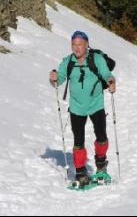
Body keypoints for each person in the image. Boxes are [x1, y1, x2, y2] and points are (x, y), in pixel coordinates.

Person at [49, 31, 116, 185]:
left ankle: (101, 165)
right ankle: (80, 172)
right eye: (74, 44)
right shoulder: (68, 62)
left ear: (86, 45)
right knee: (78, 141)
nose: (76, 48)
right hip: (76, 108)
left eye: (80, 44)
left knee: (101, 137)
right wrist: (53, 78)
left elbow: (107, 74)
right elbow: (58, 80)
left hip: (96, 105)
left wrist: (111, 81)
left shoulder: (96, 59)